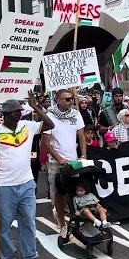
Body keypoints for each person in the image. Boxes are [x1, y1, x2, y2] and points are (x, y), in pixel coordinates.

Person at [0, 92, 55, 259]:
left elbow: (50, 124)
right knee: (4, 225)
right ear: (6, 114)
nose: (19, 114)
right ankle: (7, 258)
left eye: (20, 111)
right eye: (16, 112)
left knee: (28, 223)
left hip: (26, 184)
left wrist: (36, 106)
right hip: (4, 186)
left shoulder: (28, 126)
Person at [42, 89, 86, 240]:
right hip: (56, 162)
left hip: (73, 161)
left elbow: (81, 135)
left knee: (73, 193)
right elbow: (46, 143)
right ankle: (62, 223)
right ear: (58, 100)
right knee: (58, 194)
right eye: (67, 99)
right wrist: (59, 158)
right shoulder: (49, 117)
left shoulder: (76, 114)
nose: (71, 101)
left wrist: (83, 155)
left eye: (72, 98)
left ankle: (62, 213)